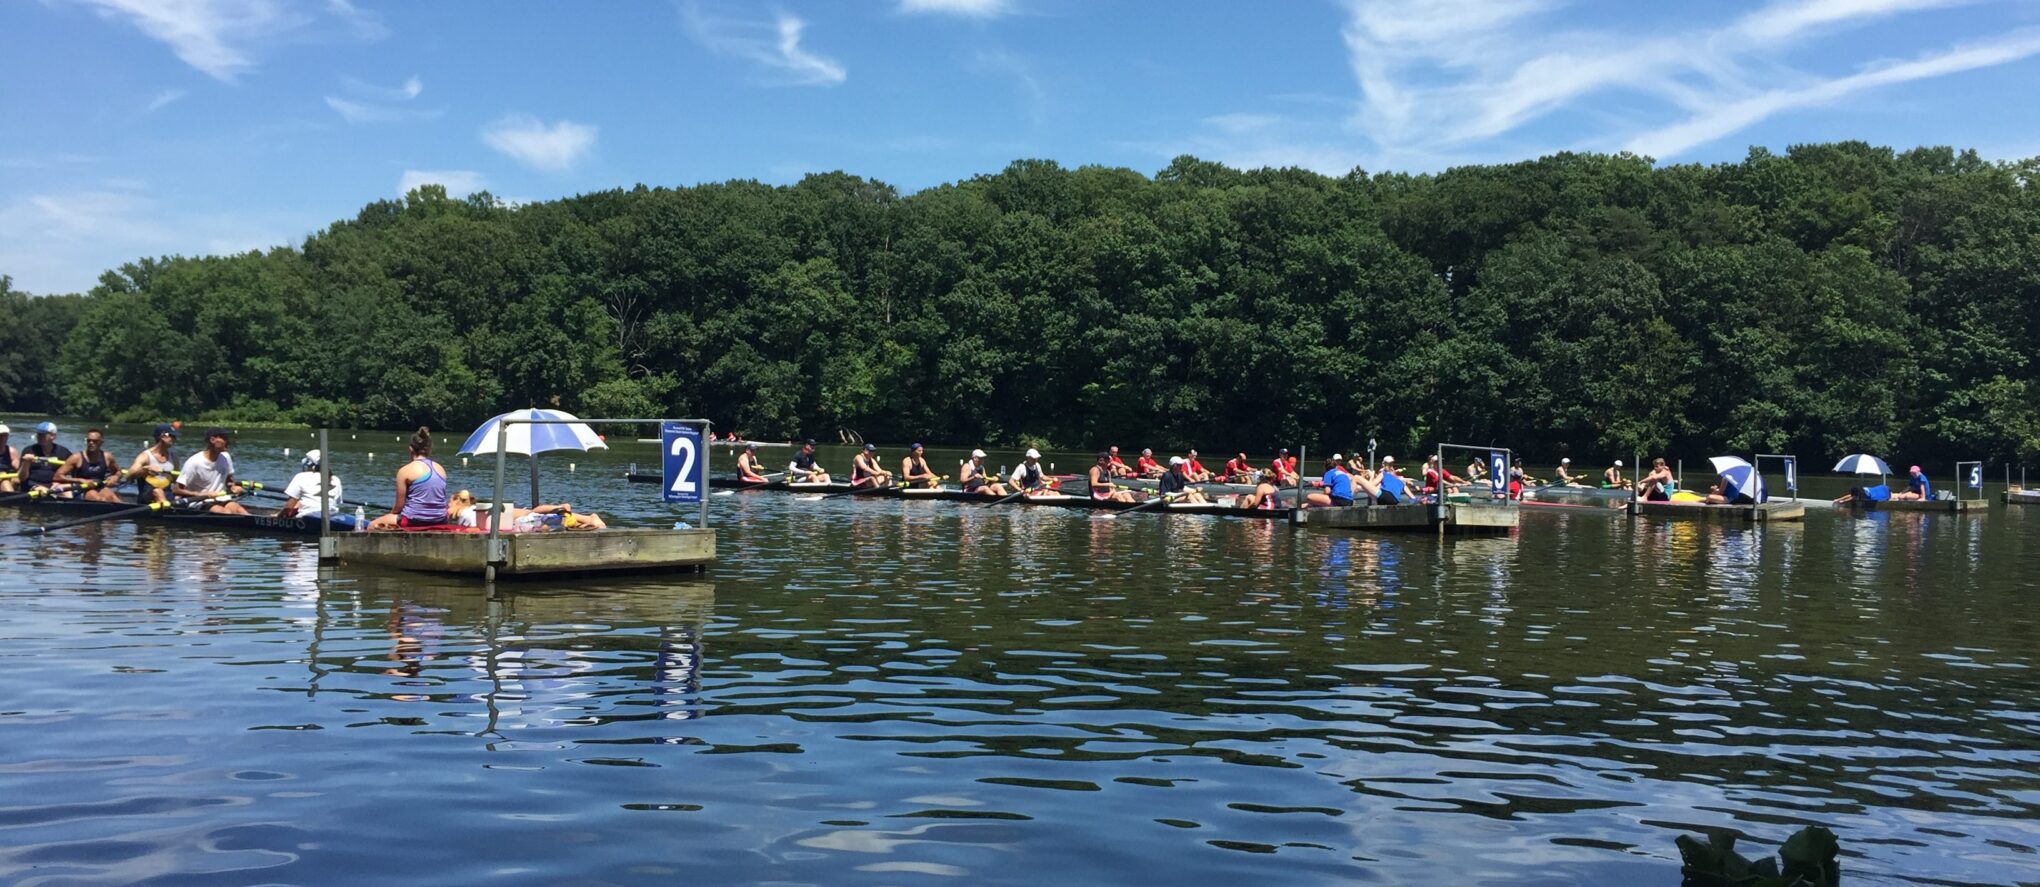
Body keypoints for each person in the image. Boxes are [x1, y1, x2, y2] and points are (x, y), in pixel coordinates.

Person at [368, 426, 447, 529]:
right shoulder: (441, 469)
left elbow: (398, 507)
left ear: (410, 449)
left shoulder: (404, 471)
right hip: (440, 519)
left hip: (413, 520)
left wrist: (390, 515)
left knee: (371, 525)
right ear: (429, 449)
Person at [174, 426, 250, 515]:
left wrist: (233, 487)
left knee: (240, 511)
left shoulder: (226, 457)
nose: (228, 441)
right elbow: (177, 490)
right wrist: (201, 494)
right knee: (225, 513)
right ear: (212, 440)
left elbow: (229, 481)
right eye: (224, 438)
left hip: (221, 498)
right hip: (200, 501)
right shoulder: (194, 462)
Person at [447, 490, 607, 531]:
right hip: (510, 516)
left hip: (512, 519)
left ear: (456, 500)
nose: (447, 505)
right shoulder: (472, 509)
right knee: (536, 514)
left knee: (534, 515)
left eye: (449, 502)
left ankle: (588, 519)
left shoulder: (462, 511)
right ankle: (585, 522)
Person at [278, 449, 348, 524]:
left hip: (308, 520)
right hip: (331, 519)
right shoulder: (336, 479)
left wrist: (278, 516)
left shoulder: (301, 477)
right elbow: (336, 502)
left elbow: (288, 507)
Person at [51, 428, 122, 502]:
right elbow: (57, 477)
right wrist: (80, 480)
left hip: (100, 486)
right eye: (89, 440)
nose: (91, 443)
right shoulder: (76, 458)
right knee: (97, 499)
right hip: (81, 489)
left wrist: (115, 477)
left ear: (101, 442)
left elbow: (118, 472)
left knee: (114, 498)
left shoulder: (107, 457)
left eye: (95, 441)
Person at [125, 423, 178, 506]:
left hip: (167, 494)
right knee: (158, 491)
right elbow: (129, 476)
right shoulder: (145, 456)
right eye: (172, 436)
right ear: (163, 436)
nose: (174, 439)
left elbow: (176, 481)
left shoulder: (173, 457)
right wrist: (145, 470)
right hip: (148, 496)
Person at [17, 421, 73, 492]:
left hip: (55, 485)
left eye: (43, 435)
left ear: (53, 436)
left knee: (67, 492)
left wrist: (60, 483)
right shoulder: (29, 450)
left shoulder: (64, 452)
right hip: (33, 485)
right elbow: (22, 478)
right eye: (38, 434)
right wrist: (26, 463)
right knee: (42, 491)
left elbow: (69, 475)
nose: (39, 437)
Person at [0, 423, 17, 493]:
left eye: (5, 435)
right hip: (3, 479)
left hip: (8, 477)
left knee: (16, 480)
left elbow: (19, 469)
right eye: (0, 435)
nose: (2, 438)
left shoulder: (12, 451)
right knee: (5, 481)